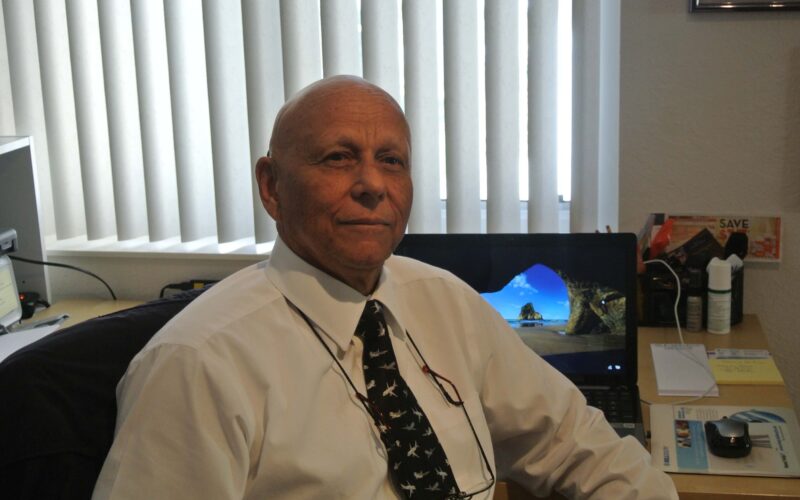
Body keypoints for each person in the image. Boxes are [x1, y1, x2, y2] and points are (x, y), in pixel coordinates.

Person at [93, 75, 678, 499]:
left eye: (391, 160)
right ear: (271, 187)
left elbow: (573, 441)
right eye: (338, 158)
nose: (373, 184)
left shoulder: (445, 300)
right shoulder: (195, 366)